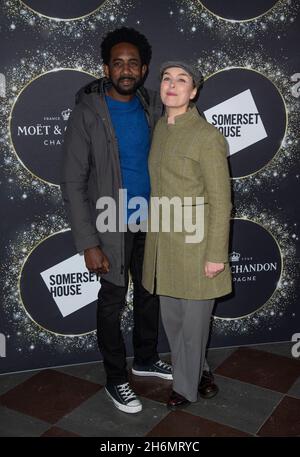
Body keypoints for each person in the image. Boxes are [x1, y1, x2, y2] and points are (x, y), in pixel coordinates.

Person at [61, 28, 172, 415]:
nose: (126, 70)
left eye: (133, 64)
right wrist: (88, 242)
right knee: (112, 302)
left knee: (148, 294)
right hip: (109, 225)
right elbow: (73, 182)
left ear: (143, 69)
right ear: (106, 68)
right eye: (118, 63)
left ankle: (144, 359)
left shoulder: (154, 106)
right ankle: (115, 378)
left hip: (151, 219)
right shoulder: (87, 113)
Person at [142, 61, 232, 409]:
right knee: (176, 324)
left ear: (193, 92)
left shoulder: (207, 137)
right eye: (167, 79)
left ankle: (184, 388)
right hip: (165, 246)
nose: (172, 85)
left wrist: (216, 254)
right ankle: (200, 372)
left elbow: (221, 201)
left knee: (193, 329)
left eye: (182, 80)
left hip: (197, 248)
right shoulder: (161, 128)